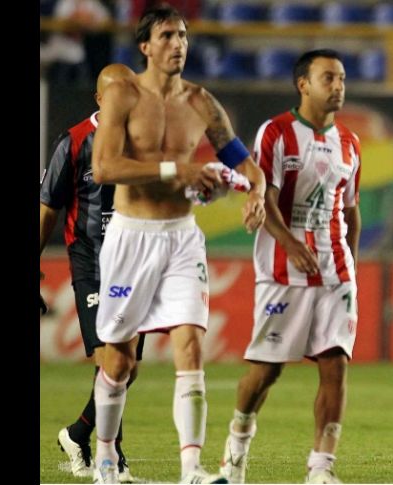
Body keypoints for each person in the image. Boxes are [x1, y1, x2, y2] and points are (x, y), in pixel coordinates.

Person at [90, 5, 266, 484]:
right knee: (120, 359)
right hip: (131, 236)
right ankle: (104, 452)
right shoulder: (123, 96)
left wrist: (258, 193)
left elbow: (246, 164)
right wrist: (178, 170)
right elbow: (104, 168)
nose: (178, 44)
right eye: (167, 35)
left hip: (182, 238)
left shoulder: (201, 103)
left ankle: (192, 468)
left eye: (184, 35)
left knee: (190, 344)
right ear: (145, 46)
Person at [217, 49, 361, 485]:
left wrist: (350, 262)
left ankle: (321, 469)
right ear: (304, 84)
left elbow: (350, 209)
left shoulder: (351, 143)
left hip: (336, 269)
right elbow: (266, 195)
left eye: (341, 78)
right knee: (266, 370)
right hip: (283, 269)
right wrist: (289, 242)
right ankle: (236, 447)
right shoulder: (277, 133)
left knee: (335, 363)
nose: (337, 86)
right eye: (328, 78)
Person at [40, 63, 142, 484]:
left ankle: (78, 432)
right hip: (91, 264)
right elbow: (48, 208)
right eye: (117, 91)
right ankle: (111, 455)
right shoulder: (75, 140)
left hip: (136, 266)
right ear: (100, 99)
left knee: (128, 367)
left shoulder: (145, 139)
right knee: (111, 360)